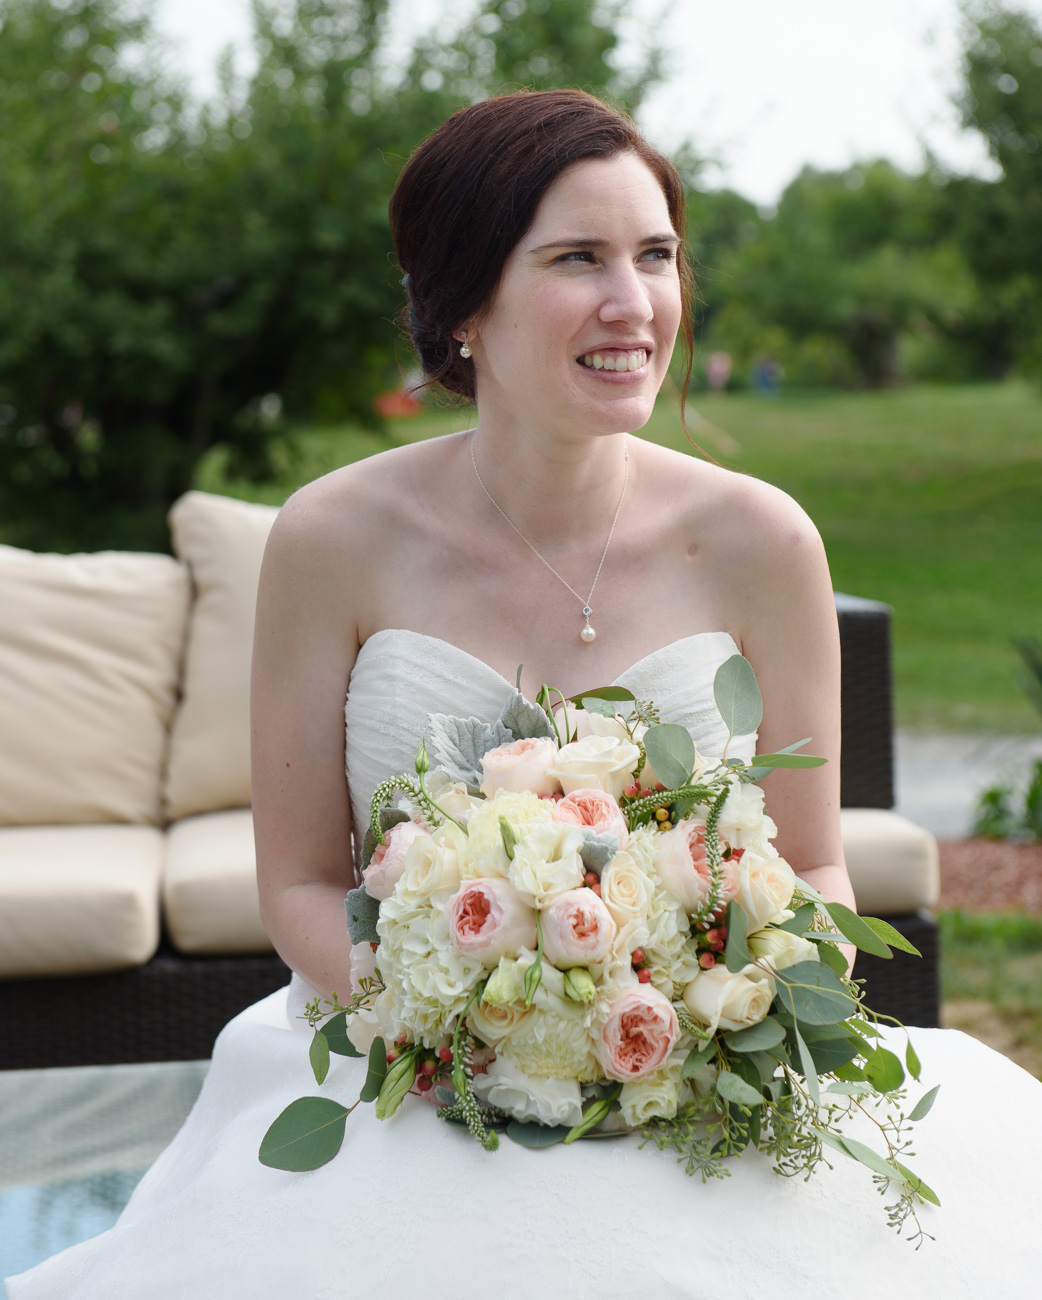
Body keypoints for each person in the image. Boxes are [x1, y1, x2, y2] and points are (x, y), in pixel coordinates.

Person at [7, 89, 1041, 1300]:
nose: (634, 302)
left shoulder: (760, 538)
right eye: (577, 260)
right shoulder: (330, 537)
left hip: (690, 1091)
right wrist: (463, 1036)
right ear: (461, 308)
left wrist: (703, 1023)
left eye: (655, 254)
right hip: (403, 1080)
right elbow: (296, 882)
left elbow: (812, 872)